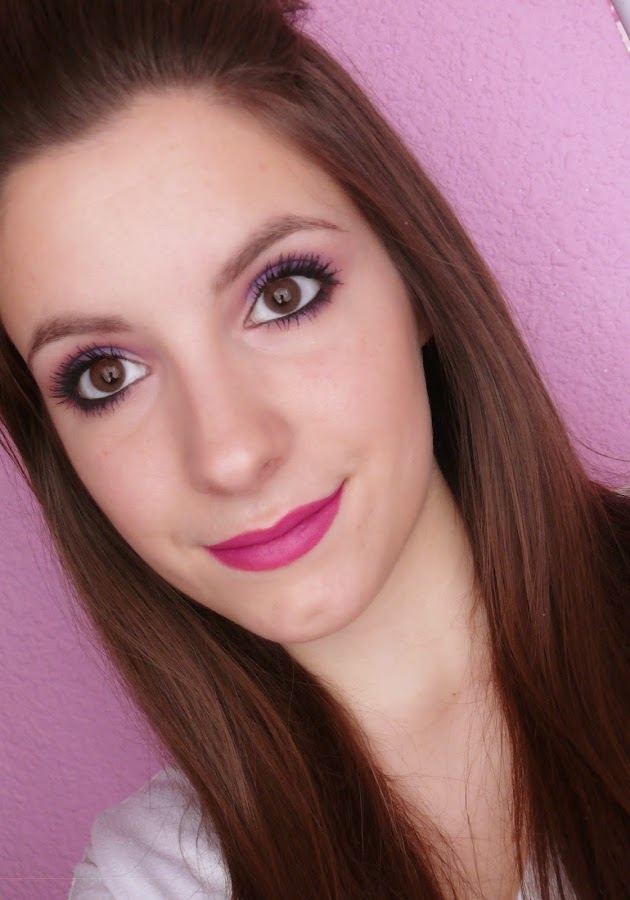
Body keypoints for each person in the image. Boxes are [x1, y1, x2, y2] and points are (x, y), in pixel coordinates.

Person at [0, 1, 627, 898]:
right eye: (106, 376)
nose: (229, 454)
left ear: (415, 279)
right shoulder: (154, 879)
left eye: (283, 295)